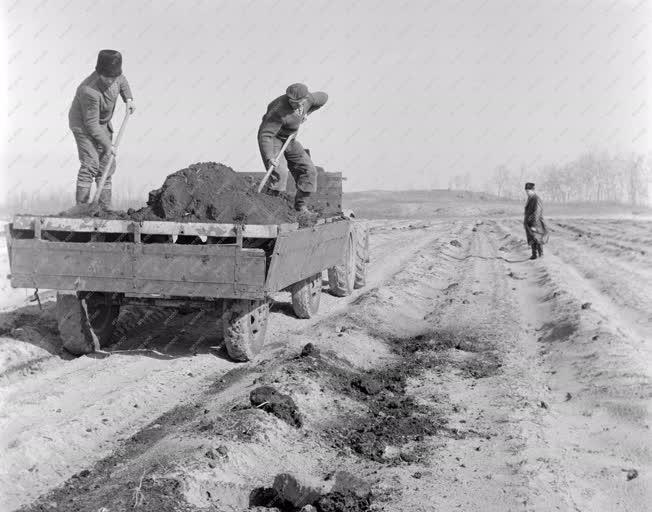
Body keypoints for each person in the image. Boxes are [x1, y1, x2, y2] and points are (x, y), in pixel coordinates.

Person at [68, 50, 136, 208]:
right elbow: (91, 124)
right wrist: (108, 145)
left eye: (114, 77)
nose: (112, 81)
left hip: (102, 123)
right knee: (91, 162)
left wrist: (129, 99)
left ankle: (105, 208)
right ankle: (82, 208)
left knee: (107, 163)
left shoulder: (116, 77)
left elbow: (123, 81)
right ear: (99, 73)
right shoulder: (89, 91)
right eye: (108, 78)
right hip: (83, 125)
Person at [257, 83, 328, 212]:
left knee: (309, 170)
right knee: (280, 172)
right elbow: (266, 135)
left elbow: (324, 97)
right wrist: (269, 157)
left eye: (297, 102)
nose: (293, 104)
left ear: (305, 99)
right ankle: (270, 209)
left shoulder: (309, 99)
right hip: (273, 139)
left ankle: (300, 206)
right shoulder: (277, 109)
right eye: (291, 101)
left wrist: (308, 113)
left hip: (290, 140)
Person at [523, 182, 548, 259]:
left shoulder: (536, 199)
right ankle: (534, 255)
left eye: (528, 191)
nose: (527, 193)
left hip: (536, 223)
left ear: (533, 190)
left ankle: (540, 255)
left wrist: (533, 224)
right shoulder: (530, 198)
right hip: (530, 223)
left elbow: (537, 212)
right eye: (526, 191)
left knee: (538, 238)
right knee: (532, 239)